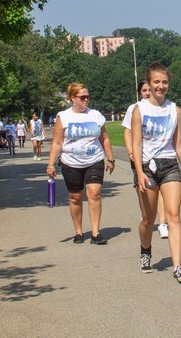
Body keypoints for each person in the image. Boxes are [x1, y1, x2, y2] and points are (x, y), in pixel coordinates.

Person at [131, 63, 181, 283]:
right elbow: (137, 144)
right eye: (156, 82)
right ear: (149, 83)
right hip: (147, 167)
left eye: (164, 82)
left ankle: (178, 266)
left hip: (169, 165)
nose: (160, 86)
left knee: (173, 215)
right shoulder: (139, 110)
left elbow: (179, 143)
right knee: (148, 219)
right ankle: (145, 249)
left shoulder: (175, 111)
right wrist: (139, 172)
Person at [47, 83, 115, 245]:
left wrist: (110, 159)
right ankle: (78, 231)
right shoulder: (63, 117)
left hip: (94, 160)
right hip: (70, 162)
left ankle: (96, 233)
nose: (86, 100)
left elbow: (104, 138)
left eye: (87, 96)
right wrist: (50, 164)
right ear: (72, 98)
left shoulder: (96, 115)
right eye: (82, 97)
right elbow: (57, 142)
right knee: (75, 197)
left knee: (94, 194)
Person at [122, 80, 170, 239]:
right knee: (143, 189)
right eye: (144, 90)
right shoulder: (134, 109)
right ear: (140, 93)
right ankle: (147, 216)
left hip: (159, 156)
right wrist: (130, 149)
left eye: (150, 90)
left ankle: (162, 223)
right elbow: (128, 132)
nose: (148, 93)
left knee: (160, 189)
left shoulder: (163, 107)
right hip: (139, 156)